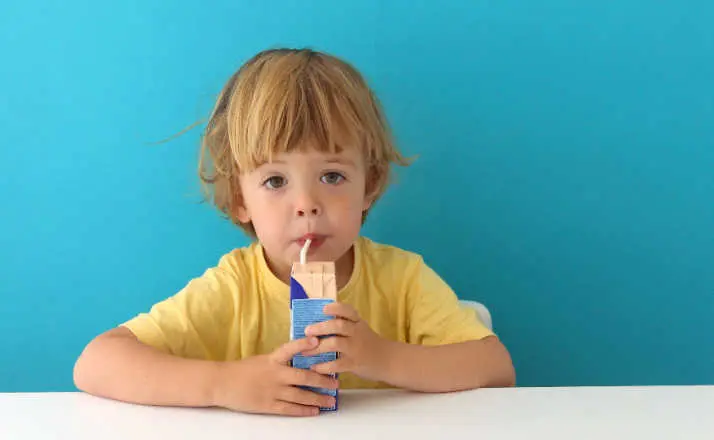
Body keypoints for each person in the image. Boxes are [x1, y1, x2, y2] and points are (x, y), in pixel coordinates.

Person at [73, 48, 515, 417]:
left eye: (333, 176)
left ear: (371, 185)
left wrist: (380, 356)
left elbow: (495, 368)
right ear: (239, 199)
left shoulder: (402, 280)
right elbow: (96, 363)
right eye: (275, 181)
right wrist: (224, 385)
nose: (306, 203)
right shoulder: (232, 289)